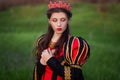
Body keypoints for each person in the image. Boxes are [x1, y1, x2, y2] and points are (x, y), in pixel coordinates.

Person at [33, 0, 90, 80]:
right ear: (49, 21)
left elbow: (76, 76)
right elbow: (38, 74)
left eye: (63, 20)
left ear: (68, 21)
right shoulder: (42, 41)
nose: (59, 24)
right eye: (54, 20)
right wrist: (42, 62)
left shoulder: (74, 43)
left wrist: (50, 60)